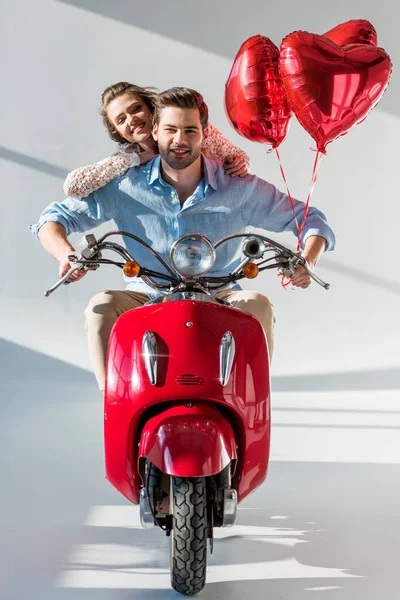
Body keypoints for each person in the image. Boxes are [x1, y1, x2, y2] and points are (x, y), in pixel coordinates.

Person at [30, 87, 335, 391]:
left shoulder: (237, 185)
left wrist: (307, 259)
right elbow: (52, 219)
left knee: (259, 306)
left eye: (190, 130)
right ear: (155, 131)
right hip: (147, 293)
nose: (179, 140)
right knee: (101, 307)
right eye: (170, 130)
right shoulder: (125, 185)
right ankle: (116, 404)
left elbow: (310, 219)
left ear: (205, 133)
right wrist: (66, 255)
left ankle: (249, 405)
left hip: (221, 295)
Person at [63, 82, 251, 199]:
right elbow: (73, 187)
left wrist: (239, 164)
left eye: (136, 109)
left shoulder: (192, 128)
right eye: (121, 120)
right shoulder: (127, 158)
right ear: (118, 132)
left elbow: (239, 157)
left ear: (150, 107)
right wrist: (133, 160)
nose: (131, 119)